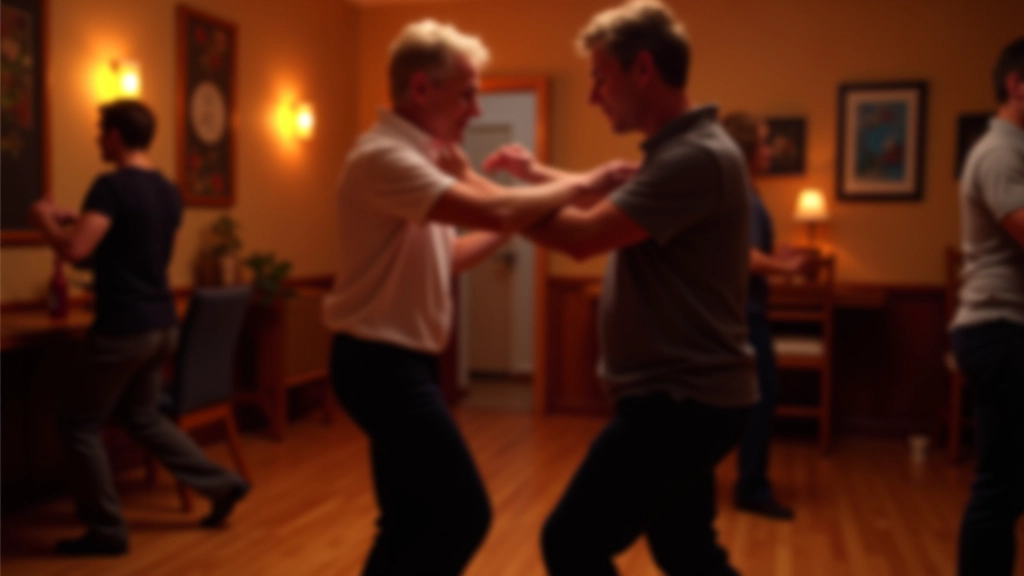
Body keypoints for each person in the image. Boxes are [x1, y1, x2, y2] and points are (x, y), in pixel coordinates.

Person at [321, 20, 629, 575]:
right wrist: (588, 181)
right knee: (464, 514)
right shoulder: (384, 158)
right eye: (467, 94)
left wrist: (516, 218)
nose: (476, 110)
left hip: (397, 362)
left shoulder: (419, 158)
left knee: (408, 520)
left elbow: (450, 258)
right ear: (421, 89)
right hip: (379, 365)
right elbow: (501, 210)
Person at [483, 1, 754, 573]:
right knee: (687, 552)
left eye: (600, 78)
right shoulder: (686, 150)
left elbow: (583, 236)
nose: (592, 96)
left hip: (678, 404)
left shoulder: (695, 156)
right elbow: (609, 205)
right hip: (691, 399)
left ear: (644, 70)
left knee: (571, 542)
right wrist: (536, 178)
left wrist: (485, 202)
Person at [30, 100, 249, 556]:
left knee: (77, 423)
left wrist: (46, 223)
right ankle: (222, 483)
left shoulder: (110, 187)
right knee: (144, 416)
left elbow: (73, 252)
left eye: (99, 131)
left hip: (124, 325)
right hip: (162, 322)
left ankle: (106, 529)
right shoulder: (169, 191)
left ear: (115, 135)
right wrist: (75, 222)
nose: (96, 139)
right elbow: (134, 250)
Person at [950, 36, 1024, 576]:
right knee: (1001, 485)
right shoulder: (1000, 153)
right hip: (999, 330)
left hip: (1001, 329)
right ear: (1017, 86)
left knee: (1007, 481)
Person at [721, 112, 809, 521]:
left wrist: (775, 259)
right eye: (763, 142)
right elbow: (743, 258)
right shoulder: (740, 193)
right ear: (745, 151)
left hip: (739, 314)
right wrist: (786, 268)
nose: (770, 150)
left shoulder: (740, 191)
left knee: (740, 404)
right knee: (760, 400)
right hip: (744, 318)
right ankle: (752, 488)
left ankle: (743, 483)